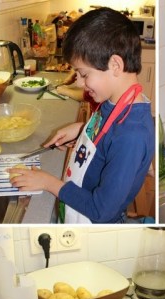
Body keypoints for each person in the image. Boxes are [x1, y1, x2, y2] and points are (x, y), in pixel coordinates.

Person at [9, 7, 154, 223]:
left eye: (84, 74)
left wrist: (48, 182)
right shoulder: (115, 101)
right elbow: (108, 132)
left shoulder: (131, 135)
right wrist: (81, 130)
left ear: (115, 65)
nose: (78, 82)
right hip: (76, 204)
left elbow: (101, 210)